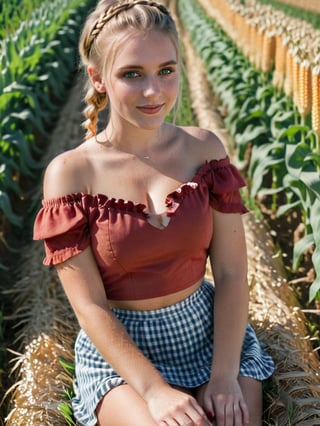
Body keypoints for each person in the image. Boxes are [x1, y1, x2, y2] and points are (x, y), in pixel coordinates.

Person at [33, 1, 274, 425]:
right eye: (132, 74)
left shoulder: (205, 151)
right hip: (124, 357)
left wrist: (223, 376)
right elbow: (90, 308)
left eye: (166, 70)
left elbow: (234, 274)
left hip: (206, 333)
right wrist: (155, 391)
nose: (154, 91)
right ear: (98, 78)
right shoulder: (72, 174)